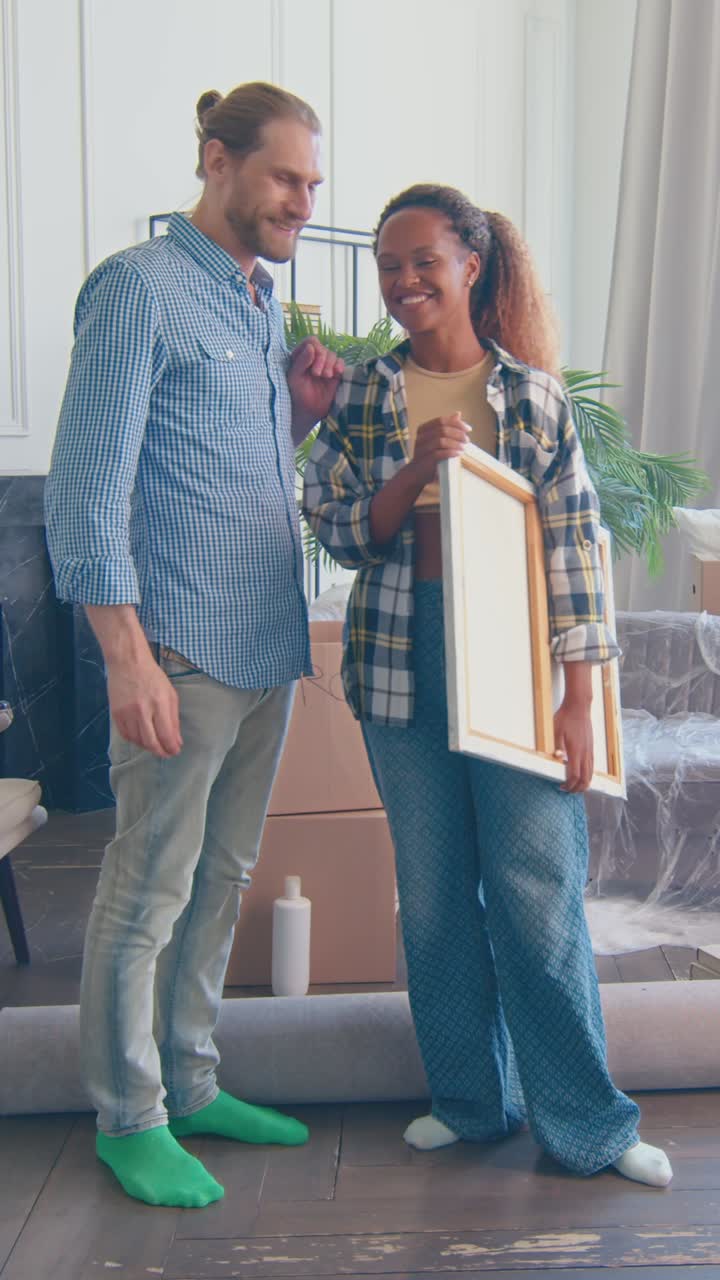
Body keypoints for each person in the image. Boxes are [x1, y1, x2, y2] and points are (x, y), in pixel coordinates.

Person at [303, 184, 673, 1187]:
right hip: (399, 659)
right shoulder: (366, 394)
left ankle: (590, 1125)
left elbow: (575, 553)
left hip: (517, 665)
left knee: (536, 893)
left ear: (471, 264)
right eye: (389, 265)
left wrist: (579, 697)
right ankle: (470, 1103)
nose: (404, 280)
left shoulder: (533, 397)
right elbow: (337, 526)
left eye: (423, 260)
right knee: (431, 900)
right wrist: (413, 472)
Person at [45, 81, 343, 1209]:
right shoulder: (138, 290)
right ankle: (130, 1115)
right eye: (284, 178)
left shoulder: (259, 299)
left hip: (265, 645)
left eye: (313, 183)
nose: (303, 201)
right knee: (147, 889)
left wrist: (294, 415)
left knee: (220, 878)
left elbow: (213, 460)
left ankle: (193, 1081)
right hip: (178, 650)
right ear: (217, 161)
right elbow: (86, 491)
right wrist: (126, 657)